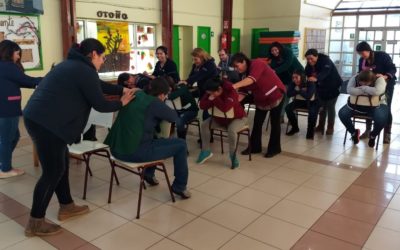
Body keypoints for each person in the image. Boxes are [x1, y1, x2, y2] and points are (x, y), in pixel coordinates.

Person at [23, 38, 135, 236]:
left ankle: (66, 206)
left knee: (60, 166)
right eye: (102, 57)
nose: (102, 62)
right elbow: (100, 104)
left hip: (39, 118)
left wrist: (120, 89)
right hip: (48, 124)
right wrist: (122, 102)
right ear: (93, 54)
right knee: (52, 172)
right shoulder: (83, 70)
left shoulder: (72, 65)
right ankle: (35, 222)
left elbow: (97, 84)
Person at [105, 78, 191, 199]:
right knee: (181, 145)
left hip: (115, 150)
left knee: (152, 139)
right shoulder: (155, 103)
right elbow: (173, 117)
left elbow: (140, 93)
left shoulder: (135, 93)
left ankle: (149, 175)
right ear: (161, 95)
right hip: (133, 153)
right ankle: (179, 187)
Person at [0, 40, 42, 178]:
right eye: (17, 53)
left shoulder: (4, 66)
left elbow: (19, 81)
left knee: (14, 136)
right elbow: (27, 80)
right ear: (10, 52)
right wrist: (48, 79)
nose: (18, 57)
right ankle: (5, 169)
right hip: (7, 109)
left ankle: (3, 163)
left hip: (6, 108)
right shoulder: (8, 66)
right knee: (7, 138)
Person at [231, 52, 286, 158]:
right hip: (261, 99)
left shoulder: (257, 63)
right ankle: (255, 147)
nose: (236, 69)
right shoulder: (243, 74)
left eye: (237, 66)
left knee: (275, 123)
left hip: (276, 95)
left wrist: (233, 86)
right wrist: (233, 102)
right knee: (257, 123)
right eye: (234, 67)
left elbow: (252, 79)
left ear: (243, 61)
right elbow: (243, 92)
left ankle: (275, 149)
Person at [196, 78, 247, 168]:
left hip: (237, 118)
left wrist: (214, 98)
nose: (210, 95)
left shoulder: (231, 91)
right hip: (219, 119)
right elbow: (202, 105)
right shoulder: (211, 89)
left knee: (231, 130)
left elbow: (225, 108)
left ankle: (233, 155)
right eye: (209, 94)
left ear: (219, 89)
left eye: (212, 93)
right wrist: (212, 98)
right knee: (205, 125)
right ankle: (206, 151)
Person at [356, 41, 396, 144]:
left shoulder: (382, 56)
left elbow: (392, 68)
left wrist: (385, 76)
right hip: (371, 86)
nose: (361, 55)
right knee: (369, 105)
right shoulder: (362, 60)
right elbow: (360, 72)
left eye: (362, 52)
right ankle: (368, 130)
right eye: (359, 54)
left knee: (386, 108)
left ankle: (387, 134)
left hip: (386, 85)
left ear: (368, 50)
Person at [338, 70, 388, 148]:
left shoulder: (379, 79)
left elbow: (377, 91)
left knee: (381, 119)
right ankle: (354, 133)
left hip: (377, 105)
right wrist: (368, 90)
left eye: (366, 83)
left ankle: (373, 135)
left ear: (372, 80)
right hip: (356, 105)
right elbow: (349, 90)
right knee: (342, 114)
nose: (363, 84)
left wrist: (362, 88)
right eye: (361, 83)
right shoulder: (355, 78)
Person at [305, 49, 342, 135]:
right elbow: (307, 72)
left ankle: (330, 127)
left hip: (334, 86)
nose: (309, 61)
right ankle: (321, 125)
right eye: (307, 59)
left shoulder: (326, 61)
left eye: (311, 58)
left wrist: (316, 78)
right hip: (321, 87)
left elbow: (325, 72)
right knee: (322, 106)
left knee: (330, 106)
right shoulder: (309, 64)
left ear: (316, 56)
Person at [268, 42, 304, 123]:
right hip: (285, 78)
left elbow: (287, 65)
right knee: (284, 97)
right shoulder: (273, 58)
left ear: (279, 48)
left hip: (297, 75)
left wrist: (274, 71)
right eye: (272, 51)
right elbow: (272, 68)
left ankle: (284, 117)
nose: (274, 52)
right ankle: (283, 116)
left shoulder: (288, 51)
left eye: (275, 50)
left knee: (288, 97)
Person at [285, 70, 318, 139]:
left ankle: (310, 132)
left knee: (312, 113)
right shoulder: (293, 83)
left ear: (302, 77)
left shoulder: (310, 83)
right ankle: (295, 128)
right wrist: (300, 91)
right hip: (298, 101)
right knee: (288, 108)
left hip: (311, 102)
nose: (294, 79)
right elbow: (288, 94)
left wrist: (298, 90)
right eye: (293, 77)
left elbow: (308, 96)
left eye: (296, 77)